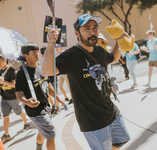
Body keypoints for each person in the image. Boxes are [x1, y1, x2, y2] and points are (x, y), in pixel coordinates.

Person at [42, 14, 130, 150]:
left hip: (110, 110)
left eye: (95, 28)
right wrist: (50, 44)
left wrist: (119, 38)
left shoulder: (99, 51)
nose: (92, 31)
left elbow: (113, 57)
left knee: (122, 139)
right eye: (87, 28)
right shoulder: (71, 55)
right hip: (92, 119)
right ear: (77, 33)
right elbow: (47, 71)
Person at [15, 43, 65, 150]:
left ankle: (38, 148)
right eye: (33, 53)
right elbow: (18, 92)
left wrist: (57, 98)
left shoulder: (41, 68)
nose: (37, 54)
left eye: (37, 52)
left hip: (46, 107)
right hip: (36, 111)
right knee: (51, 134)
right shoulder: (22, 73)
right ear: (25, 56)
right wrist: (27, 102)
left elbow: (47, 85)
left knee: (42, 131)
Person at [0, 54, 30, 141]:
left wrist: (3, 81)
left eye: (0, 62)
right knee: (5, 116)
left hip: (14, 97)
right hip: (5, 98)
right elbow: (1, 83)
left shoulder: (12, 71)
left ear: (5, 61)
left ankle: (26, 123)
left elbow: (15, 85)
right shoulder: (0, 71)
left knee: (20, 112)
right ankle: (6, 134)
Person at [40, 45, 66, 114]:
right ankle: (54, 106)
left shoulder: (50, 59)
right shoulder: (43, 60)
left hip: (53, 79)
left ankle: (57, 108)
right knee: (48, 95)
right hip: (46, 80)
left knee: (55, 94)